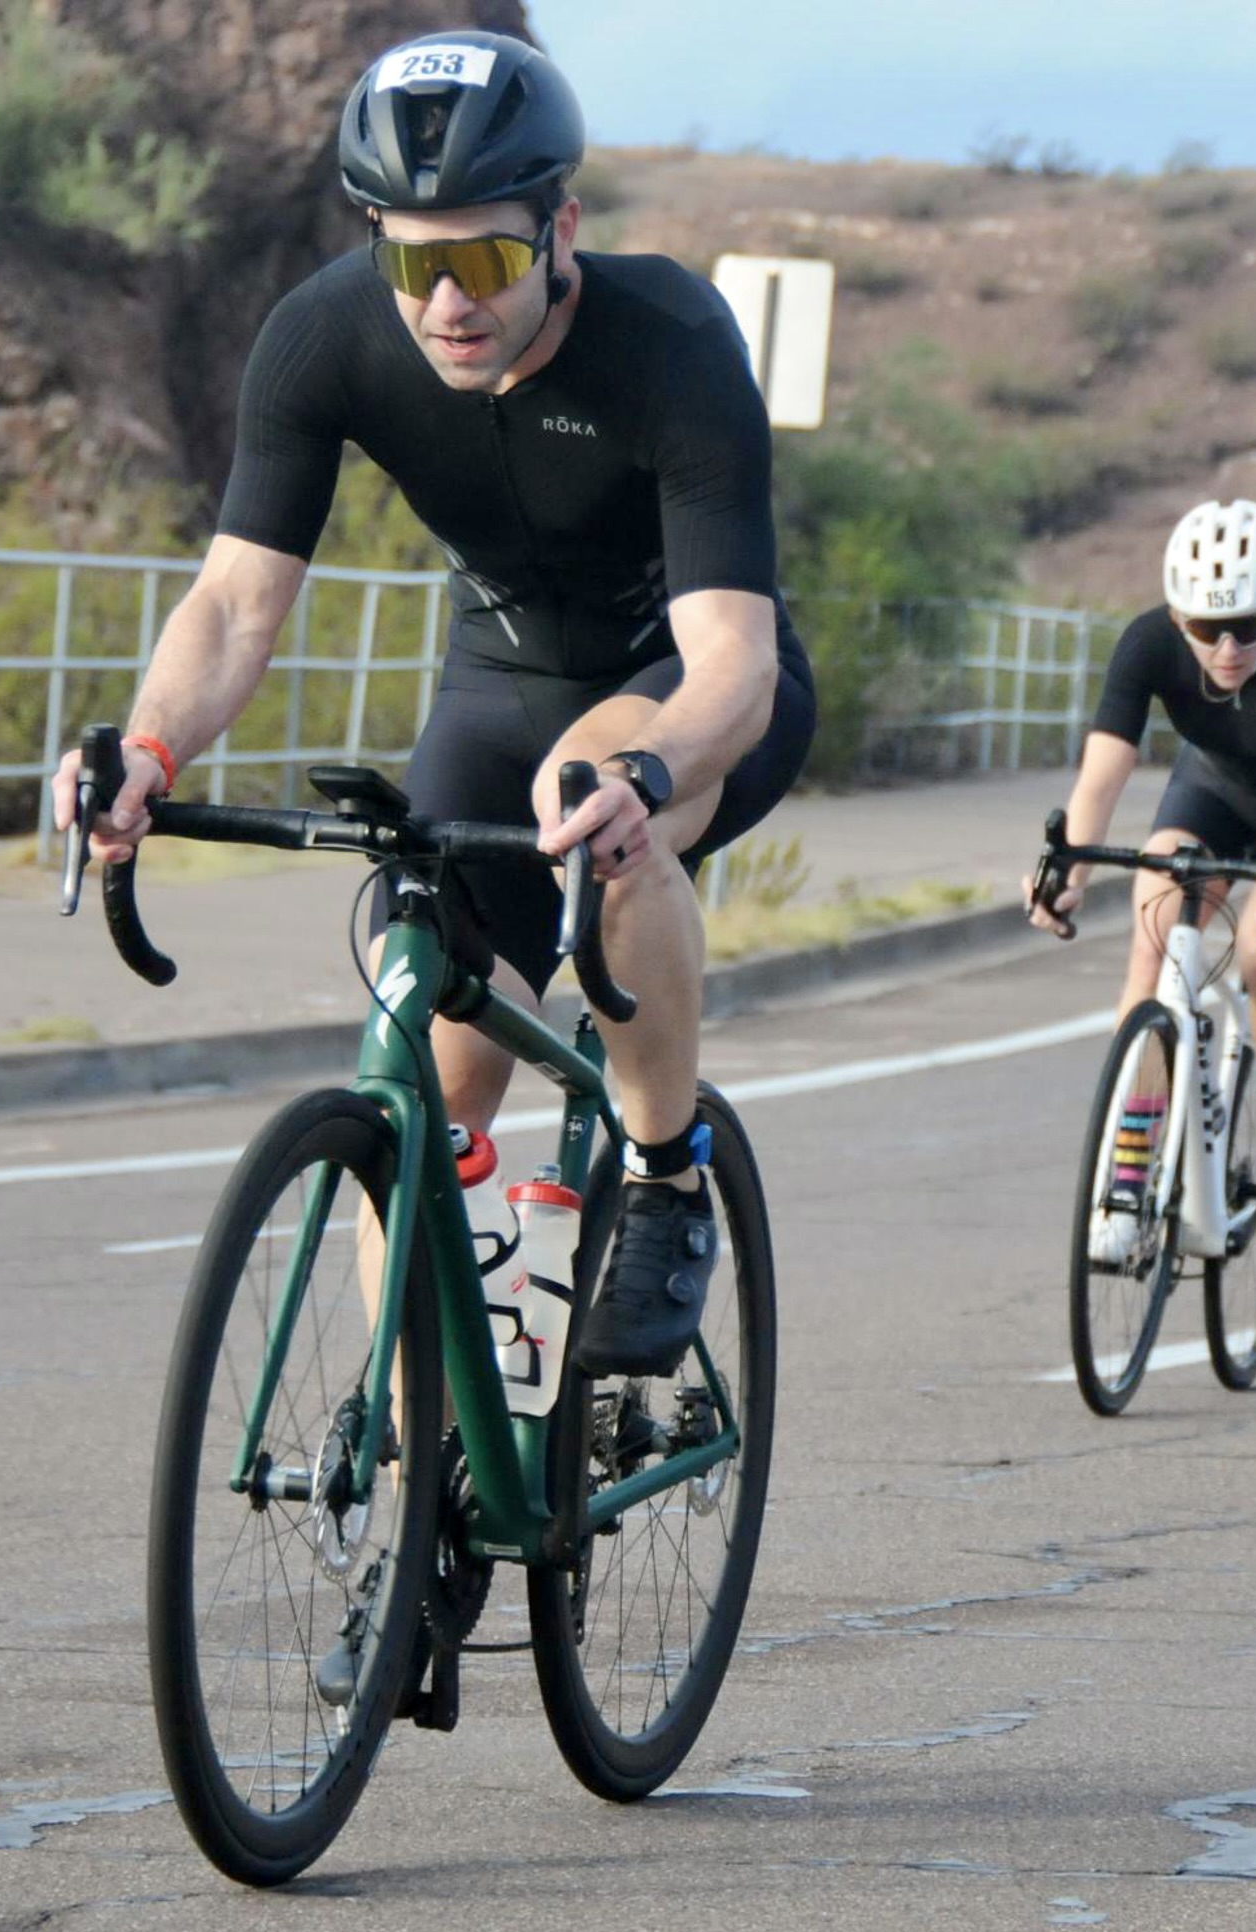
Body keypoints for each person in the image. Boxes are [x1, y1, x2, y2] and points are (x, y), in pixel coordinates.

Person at [52, 29, 813, 1378]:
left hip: (682, 688)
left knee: (589, 797)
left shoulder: (671, 340)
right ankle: (425, 1450)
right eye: (412, 264)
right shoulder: (323, 334)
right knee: (424, 1084)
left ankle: (663, 1178)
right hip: (495, 687)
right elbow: (233, 604)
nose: (448, 302)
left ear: (560, 229)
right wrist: (149, 748)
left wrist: (643, 774)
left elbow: (731, 660)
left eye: (486, 261)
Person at [1027, 499, 1256, 1259]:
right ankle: (1128, 1174)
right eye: (1207, 629)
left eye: (1248, 625)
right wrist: (1066, 871)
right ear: (1177, 617)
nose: (1228, 648)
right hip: (1212, 791)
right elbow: (1100, 781)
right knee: (1151, 944)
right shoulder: (1147, 642)